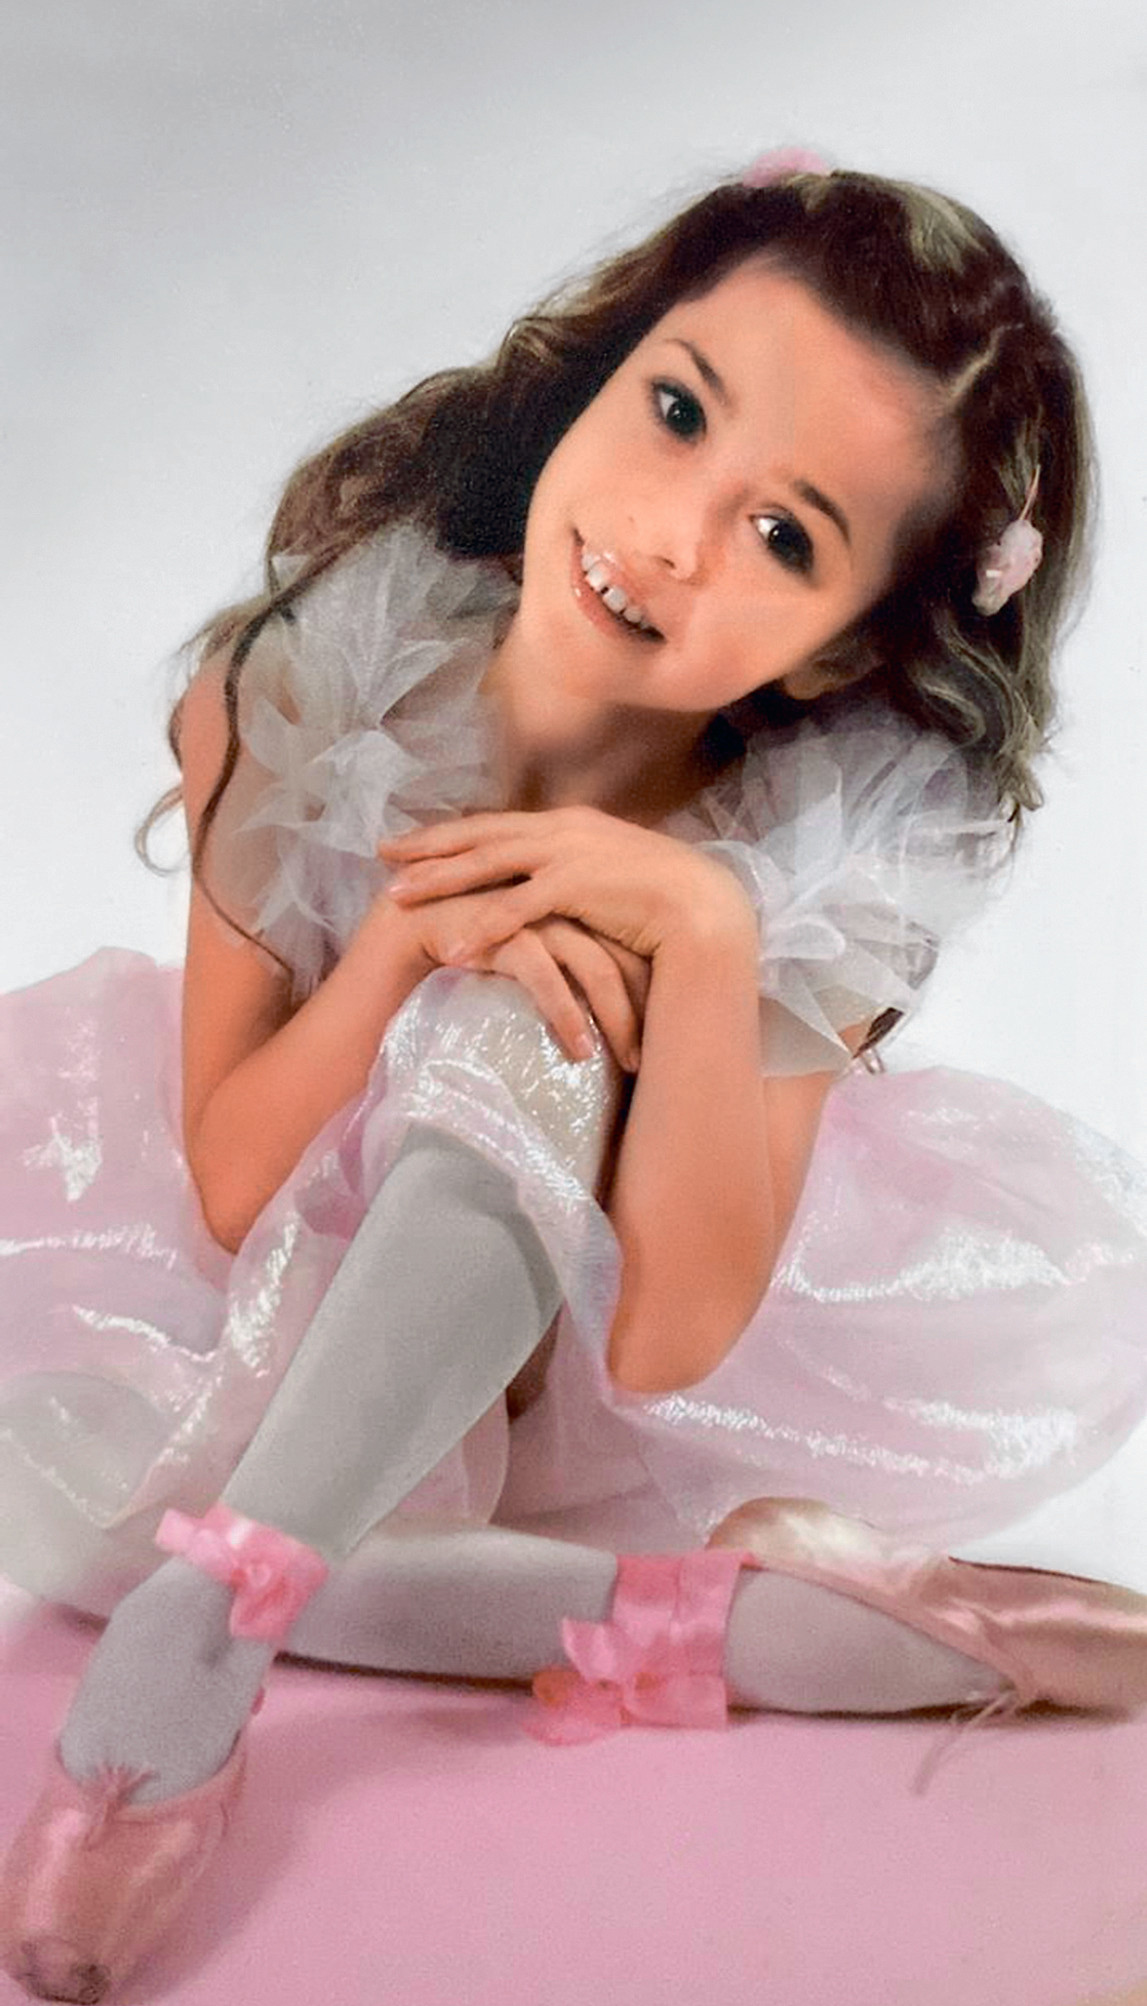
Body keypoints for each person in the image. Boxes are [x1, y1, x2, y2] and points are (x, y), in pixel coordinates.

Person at [4, 151, 1147, 2003]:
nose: (676, 535)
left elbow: (675, 1332)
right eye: (677, 413)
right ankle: (735, 1630)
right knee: (42, 1490)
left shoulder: (812, 852)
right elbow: (224, 1181)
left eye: (785, 537)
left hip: (582, 1372)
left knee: (529, 1010)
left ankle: (207, 1625)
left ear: (842, 648)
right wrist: (402, 934)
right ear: (602, 370)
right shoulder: (305, 681)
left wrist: (699, 930)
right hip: (304, 1307)